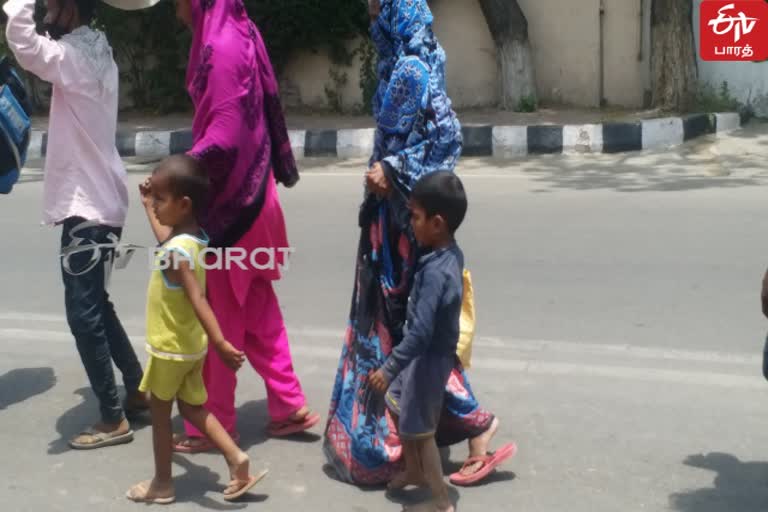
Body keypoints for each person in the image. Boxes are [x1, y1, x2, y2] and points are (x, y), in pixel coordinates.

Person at [323, 0, 515, 487]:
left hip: (407, 227)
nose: (367, 9)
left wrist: (394, 170)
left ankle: (470, 425)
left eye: (375, 3)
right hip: (392, 223)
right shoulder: (401, 59)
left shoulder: (411, 64)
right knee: (401, 331)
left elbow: (446, 136)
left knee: (411, 333)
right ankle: (414, 441)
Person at [170, 0, 319, 453]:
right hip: (257, 196)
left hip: (233, 208)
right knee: (256, 306)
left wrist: (174, 172)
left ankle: (214, 424)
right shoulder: (240, 30)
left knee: (220, 316)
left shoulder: (221, 45)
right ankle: (289, 403)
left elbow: (225, 135)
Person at [3, 0, 148, 449]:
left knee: (82, 313)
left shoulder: (74, 59)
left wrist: (22, 2)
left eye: (51, 4)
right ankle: (137, 387)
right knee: (96, 303)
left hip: (87, 208)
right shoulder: (96, 47)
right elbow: (40, 44)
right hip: (102, 202)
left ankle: (112, 418)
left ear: (68, 9)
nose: (45, 11)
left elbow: (24, 44)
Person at [127, 156, 267, 504]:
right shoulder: (191, 239)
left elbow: (198, 298)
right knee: (192, 409)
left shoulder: (176, 254)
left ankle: (162, 484)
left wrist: (221, 342)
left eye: (160, 199)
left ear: (184, 204)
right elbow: (166, 238)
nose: (156, 206)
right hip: (190, 349)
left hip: (169, 349)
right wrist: (147, 205)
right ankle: (237, 459)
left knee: (160, 417)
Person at [368, 171, 468, 512]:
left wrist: (390, 365)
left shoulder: (436, 272)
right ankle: (413, 470)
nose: (411, 224)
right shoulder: (449, 255)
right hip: (422, 358)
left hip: (427, 360)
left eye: (415, 217)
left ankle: (440, 500)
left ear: (437, 223)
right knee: (398, 404)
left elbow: (422, 332)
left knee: (422, 431)